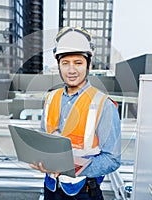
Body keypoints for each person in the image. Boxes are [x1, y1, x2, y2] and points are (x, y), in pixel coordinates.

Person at [30, 27, 121, 200]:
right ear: (58, 65)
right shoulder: (50, 99)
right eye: (65, 63)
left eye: (78, 63)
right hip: (51, 188)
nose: (71, 70)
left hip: (84, 193)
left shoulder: (104, 105)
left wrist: (70, 166)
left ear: (88, 64)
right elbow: (45, 140)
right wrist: (40, 159)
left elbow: (112, 159)